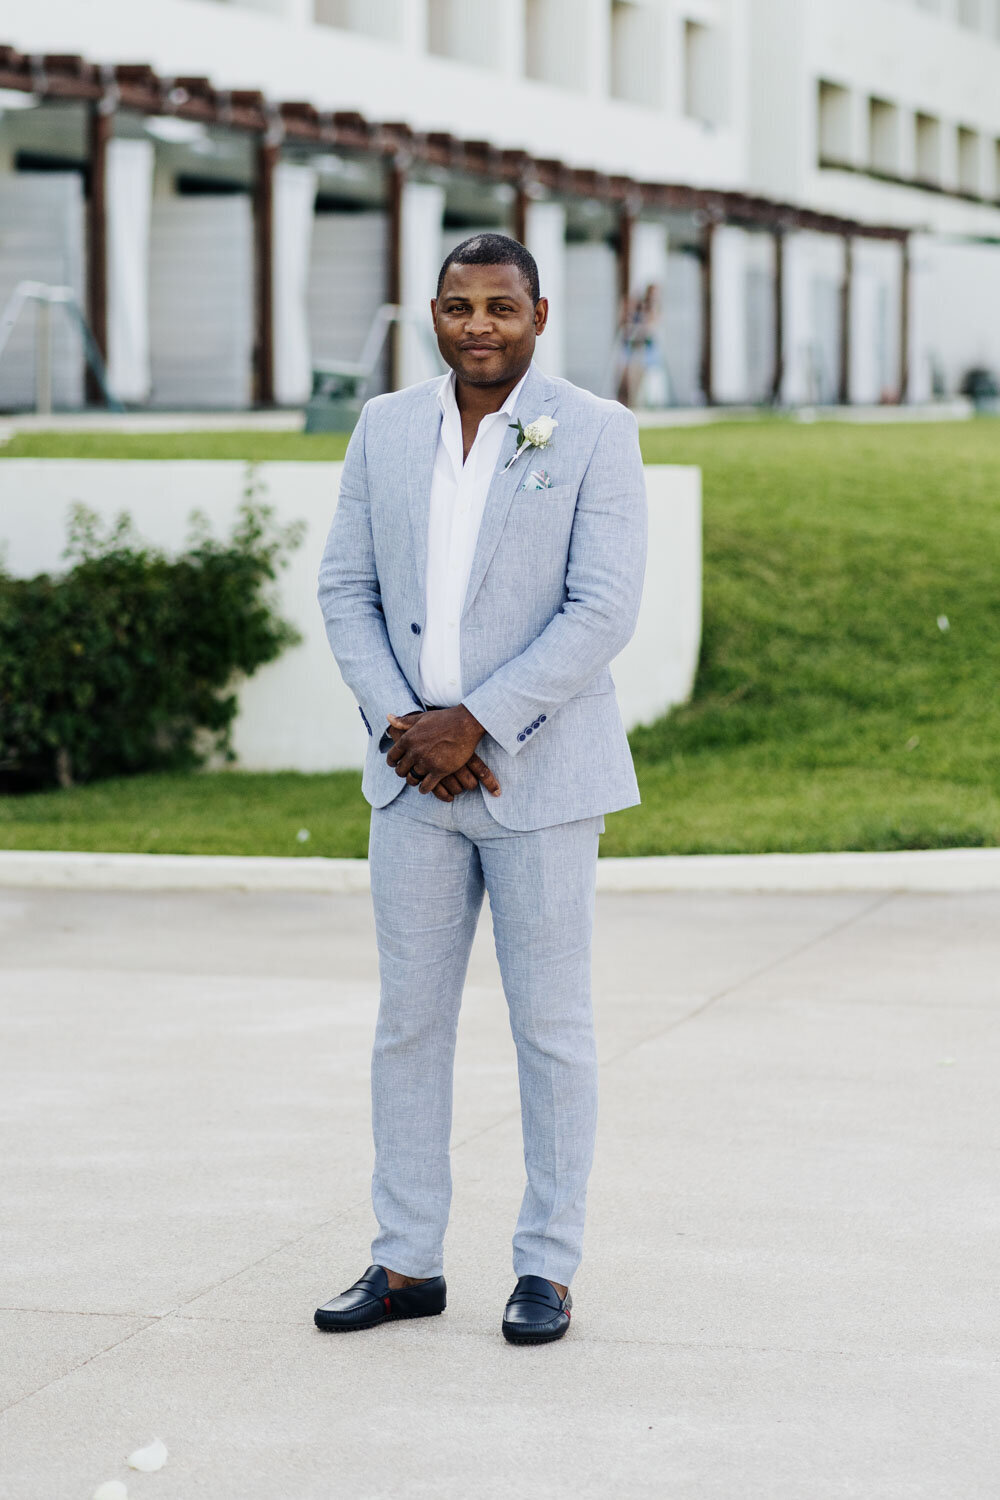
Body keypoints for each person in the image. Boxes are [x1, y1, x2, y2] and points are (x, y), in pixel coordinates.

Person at [314, 232, 647, 1345]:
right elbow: (346, 585)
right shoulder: (383, 426)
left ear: (539, 316)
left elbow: (601, 608)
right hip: (410, 782)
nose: (479, 327)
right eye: (458, 307)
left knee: (550, 1030)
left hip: (538, 781)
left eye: (500, 307)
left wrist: (481, 721)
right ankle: (406, 1260)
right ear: (432, 313)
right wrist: (406, 727)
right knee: (407, 1025)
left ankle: (546, 1266)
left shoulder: (594, 432)